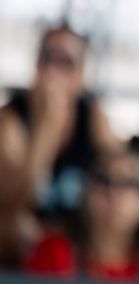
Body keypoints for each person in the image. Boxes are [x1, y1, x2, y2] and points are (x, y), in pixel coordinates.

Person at [0, 25, 123, 266]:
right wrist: (47, 129)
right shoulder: (11, 119)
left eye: (66, 62)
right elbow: (15, 201)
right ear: (36, 65)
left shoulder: (94, 119)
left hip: (78, 239)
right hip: (24, 239)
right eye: (48, 58)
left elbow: (124, 178)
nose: (55, 70)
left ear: (81, 73)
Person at [23, 148, 139, 284]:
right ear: (85, 191)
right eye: (102, 180)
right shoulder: (54, 252)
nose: (113, 193)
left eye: (129, 183)